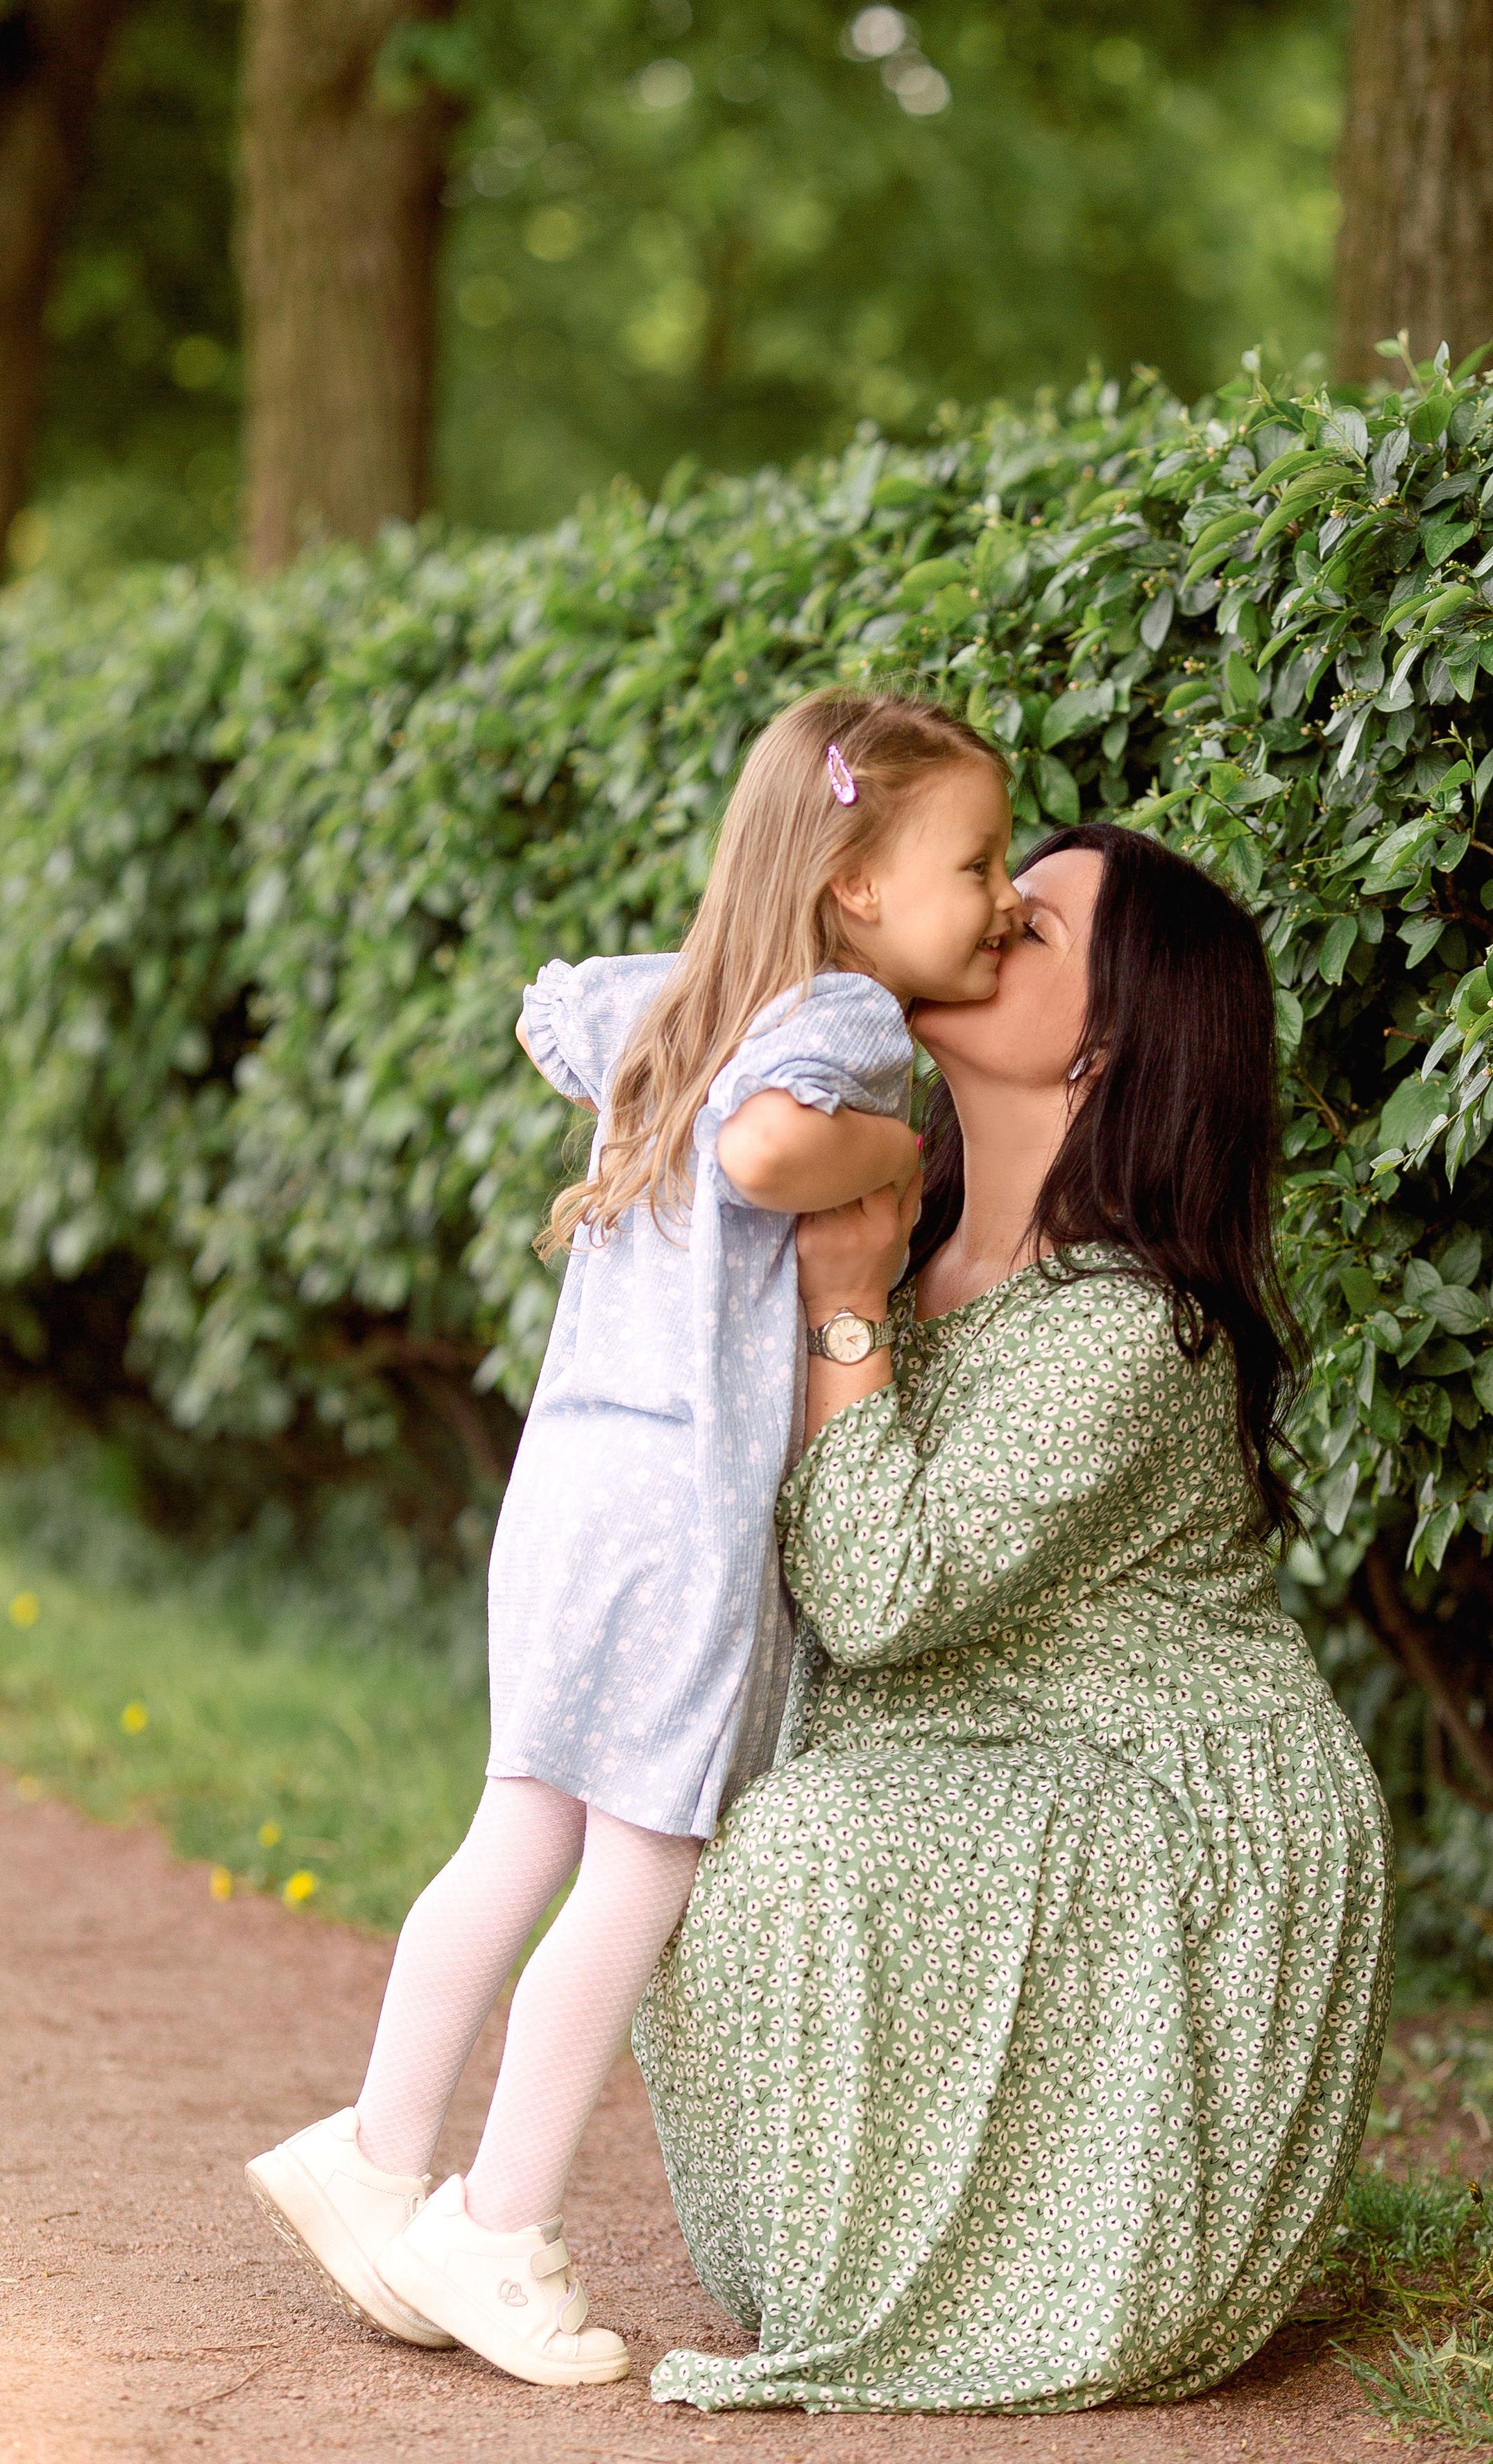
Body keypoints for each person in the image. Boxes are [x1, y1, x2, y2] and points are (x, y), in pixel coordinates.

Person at [246, 690, 1020, 2388]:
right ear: (857, 886)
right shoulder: (845, 1026)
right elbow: (762, 1155)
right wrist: (899, 1151)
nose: (1003, 893)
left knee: (517, 1831)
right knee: (640, 1867)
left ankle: (377, 2157)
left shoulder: (664, 1005)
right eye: (975, 860)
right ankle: (495, 2229)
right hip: (679, 1505)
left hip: (572, 1478)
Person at [635, 822, 1395, 2415]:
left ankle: (1028, 2276)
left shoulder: (1128, 1322)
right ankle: (868, 2254)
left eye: (1032, 928)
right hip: (956, 1756)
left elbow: (881, 1594)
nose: (981, 924)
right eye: (991, 896)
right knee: (670, 1815)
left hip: (1165, 1798)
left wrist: (841, 1311)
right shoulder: (893, 1243)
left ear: (1114, 1040)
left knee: (817, 1837)